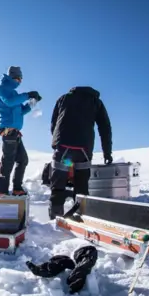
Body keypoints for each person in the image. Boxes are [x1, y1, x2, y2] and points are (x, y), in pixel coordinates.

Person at [48, 86, 113, 219]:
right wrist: (107, 152)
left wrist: (56, 142)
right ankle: (81, 215)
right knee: (81, 184)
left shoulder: (64, 98)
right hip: (83, 150)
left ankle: (55, 217)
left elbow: (54, 122)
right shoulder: (96, 102)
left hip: (64, 149)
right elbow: (105, 128)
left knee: (59, 180)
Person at [0, 66, 42, 197]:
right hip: (8, 130)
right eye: (19, 78)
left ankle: (17, 188)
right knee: (8, 161)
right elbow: (9, 102)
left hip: (15, 132)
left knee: (23, 160)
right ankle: (3, 191)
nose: (20, 81)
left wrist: (33, 102)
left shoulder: (15, 94)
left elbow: (22, 111)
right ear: (13, 77)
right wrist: (27, 95)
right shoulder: (2, 89)